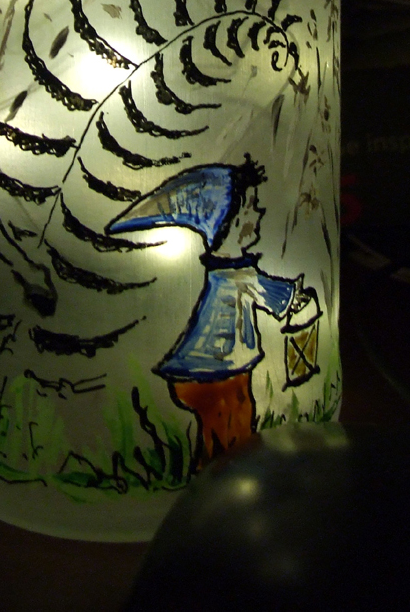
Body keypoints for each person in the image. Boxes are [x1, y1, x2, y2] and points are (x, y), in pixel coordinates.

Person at [108, 156, 320, 466]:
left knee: (222, 425)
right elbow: (271, 294)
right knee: (235, 419)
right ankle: (229, 474)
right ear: (230, 221)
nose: (260, 212)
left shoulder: (226, 272)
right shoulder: (237, 275)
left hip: (204, 372)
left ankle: (213, 471)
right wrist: (294, 297)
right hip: (217, 372)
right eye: (251, 207)